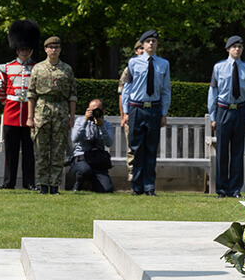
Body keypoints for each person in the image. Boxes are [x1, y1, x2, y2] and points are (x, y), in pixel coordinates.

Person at [121, 29, 171, 196]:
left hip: (154, 109)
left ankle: (149, 186)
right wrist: (126, 112)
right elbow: (127, 89)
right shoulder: (134, 63)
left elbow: (165, 90)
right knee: (136, 148)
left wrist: (164, 113)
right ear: (142, 44)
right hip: (136, 108)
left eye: (154, 41)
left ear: (157, 45)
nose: (151, 44)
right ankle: (136, 186)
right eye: (148, 41)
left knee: (151, 148)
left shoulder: (163, 64)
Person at [27, 36, 77, 194]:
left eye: (56, 47)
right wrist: (30, 117)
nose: (53, 50)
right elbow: (31, 94)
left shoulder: (67, 69)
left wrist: (72, 116)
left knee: (58, 150)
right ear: (45, 49)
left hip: (61, 109)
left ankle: (55, 185)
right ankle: (42, 185)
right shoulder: (38, 68)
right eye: (50, 47)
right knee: (41, 149)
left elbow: (72, 95)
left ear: (60, 49)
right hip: (42, 109)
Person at [0, 19, 40, 190]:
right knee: (11, 152)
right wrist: (8, 104)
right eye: (21, 48)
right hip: (11, 114)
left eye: (27, 48)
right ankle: (8, 182)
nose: (24, 51)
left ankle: (29, 183)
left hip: (30, 115)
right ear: (16, 48)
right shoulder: (7, 68)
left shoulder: (37, 68)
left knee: (29, 152)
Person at [208, 35, 245, 198]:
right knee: (222, 151)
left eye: (240, 47)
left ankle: (235, 189)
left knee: (237, 151)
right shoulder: (219, 68)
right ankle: (221, 189)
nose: (237, 49)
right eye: (234, 47)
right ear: (228, 49)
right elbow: (213, 93)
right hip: (223, 110)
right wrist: (213, 117)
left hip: (239, 111)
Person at [70, 99, 115, 193]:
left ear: (103, 111)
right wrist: (85, 121)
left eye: (97, 110)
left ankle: (94, 184)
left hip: (97, 161)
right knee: (84, 170)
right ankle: (77, 185)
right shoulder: (80, 120)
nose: (94, 112)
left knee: (107, 189)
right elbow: (74, 139)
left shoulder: (107, 125)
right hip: (81, 159)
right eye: (91, 110)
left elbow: (109, 143)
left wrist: (102, 126)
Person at [117, 39, 144, 183]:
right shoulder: (129, 69)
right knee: (132, 148)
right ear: (136, 51)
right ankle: (133, 177)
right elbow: (122, 94)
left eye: (143, 48)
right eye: (140, 49)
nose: (142, 51)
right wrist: (123, 115)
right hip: (132, 113)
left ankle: (145, 179)